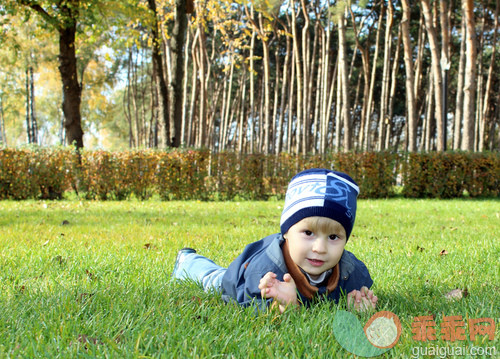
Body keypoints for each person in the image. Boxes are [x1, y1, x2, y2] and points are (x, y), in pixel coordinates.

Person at [172, 168, 377, 313]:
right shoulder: (266, 273)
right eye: (308, 233)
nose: (320, 248)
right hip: (240, 277)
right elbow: (243, 303)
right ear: (287, 232)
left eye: (333, 237)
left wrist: (360, 305)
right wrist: (280, 307)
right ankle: (188, 261)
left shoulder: (349, 269)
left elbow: (360, 292)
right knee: (214, 278)